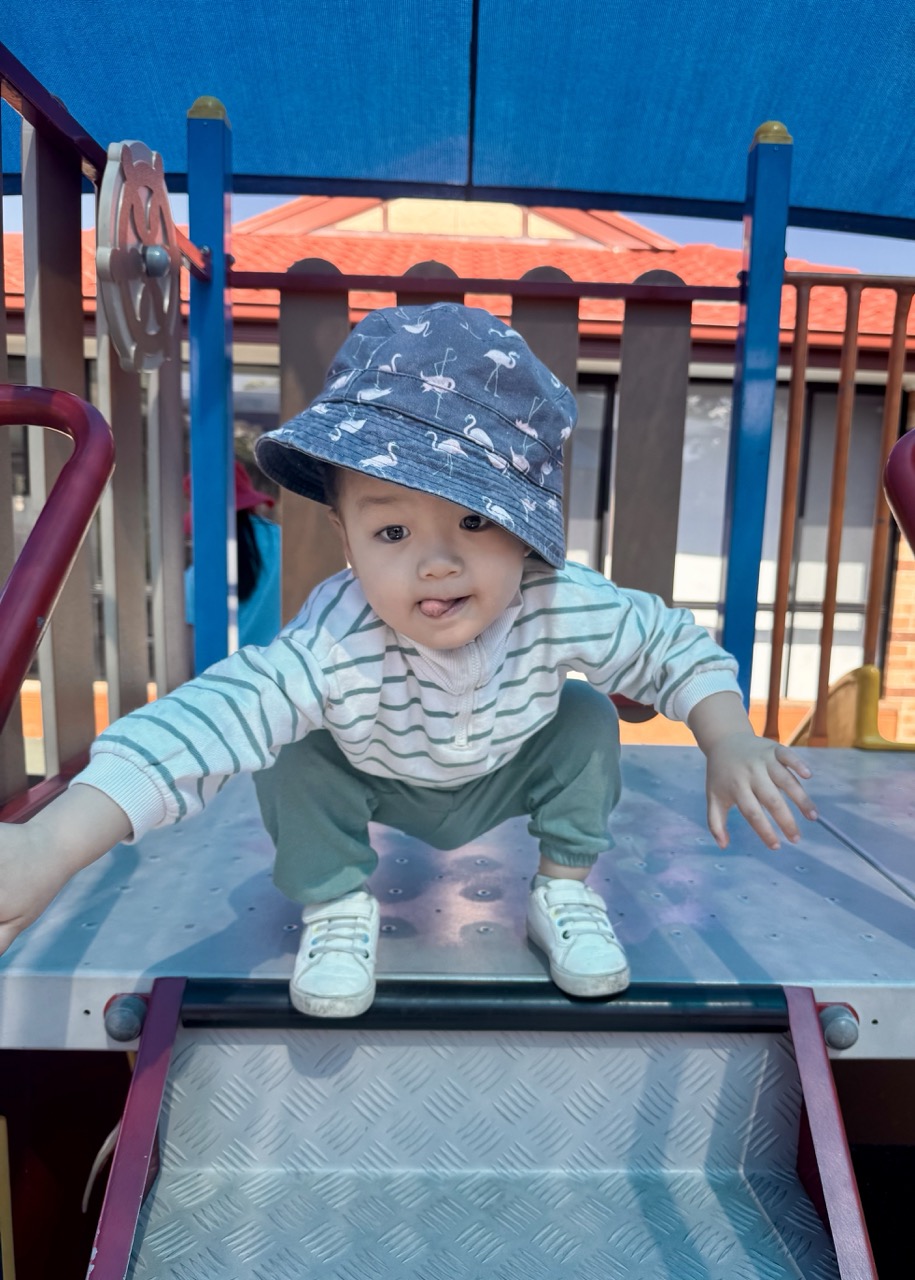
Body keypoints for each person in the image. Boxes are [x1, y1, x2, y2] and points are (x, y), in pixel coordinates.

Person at [0, 303, 816, 1016]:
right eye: (392, 531)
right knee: (292, 743)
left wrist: (727, 736)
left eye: (473, 522)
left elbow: (667, 642)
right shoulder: (334, 641)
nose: (435, 562)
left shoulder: (557, 599)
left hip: (508, 767)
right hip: (374, 774)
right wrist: (52, 846)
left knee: (586, 716)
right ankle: (336, 906)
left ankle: (564, 890)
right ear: (346, 539)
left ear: (527, 528)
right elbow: (204, 723)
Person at [184, 460, 281, 652]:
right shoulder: (280, 539)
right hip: (283, 669)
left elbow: (192, 642)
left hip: (223, 674)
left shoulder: (200, 567)